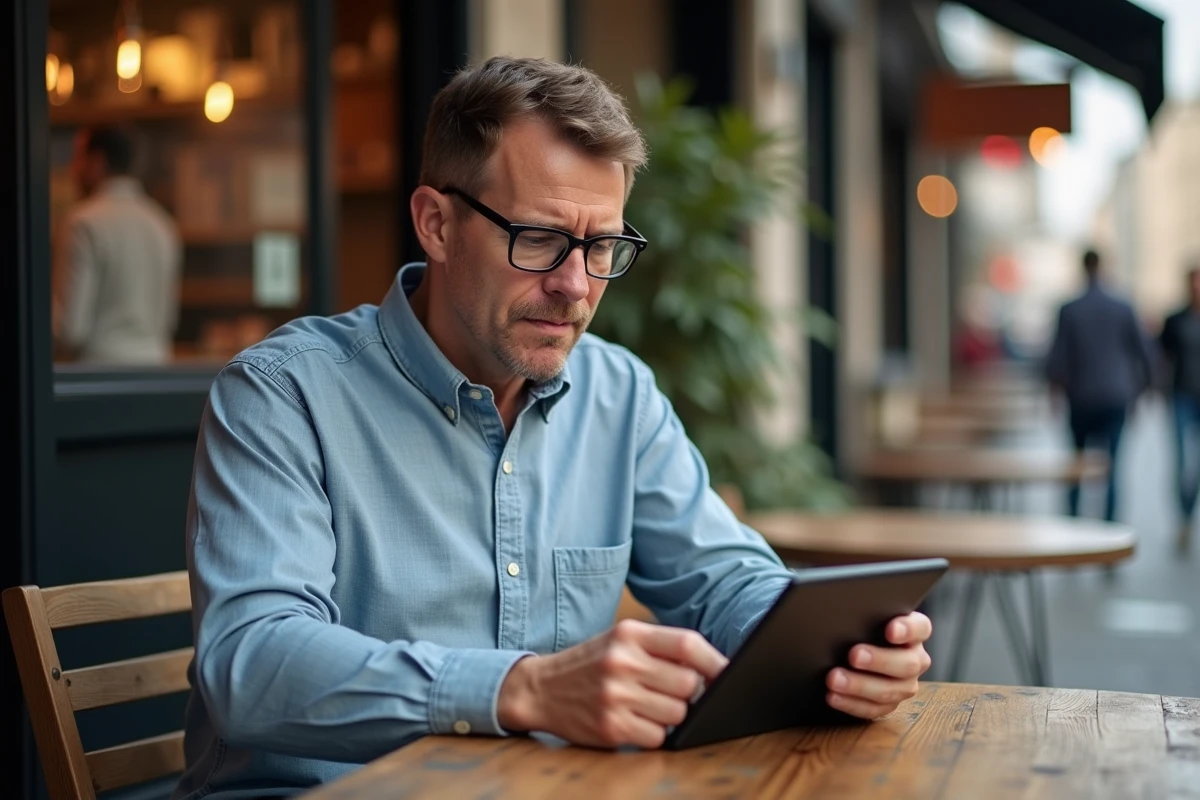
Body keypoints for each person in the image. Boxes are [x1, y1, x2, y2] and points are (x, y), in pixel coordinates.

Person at [174, 58, 932, 799]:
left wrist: (840, 654)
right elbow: (251, 663)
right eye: (538, 238)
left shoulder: (618, 394)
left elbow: (726, 582)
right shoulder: (285, 393)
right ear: (436, 224)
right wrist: (524, 689)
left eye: (602, 247)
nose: (575, 286)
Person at [53, 126, 182, 364]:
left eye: (77, 158)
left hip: (97, 370)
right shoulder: (162, 223)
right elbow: (169, 319)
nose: (72, 168)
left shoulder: (83, 222)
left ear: (97, 161)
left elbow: (71, 329)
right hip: (156, 366)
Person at [1045, 249, 1155, 521]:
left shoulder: (1070, 309)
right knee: (1113, 466)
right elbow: (1145, 353)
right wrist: (1140, 392)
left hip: (1080, 397)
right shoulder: (1123, 307)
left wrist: (1054, 394)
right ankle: (1109, 526)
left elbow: (1058, 357)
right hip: (1116, 396)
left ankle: (1073, 520)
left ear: (1083, 269)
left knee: (1077, 464)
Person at [1159, 265, 1200, 551]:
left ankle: (1189, 511)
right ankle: (1183, 518)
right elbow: (1162, 356)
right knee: (1181, 461)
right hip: (1181, 397)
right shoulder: (1175, 320)